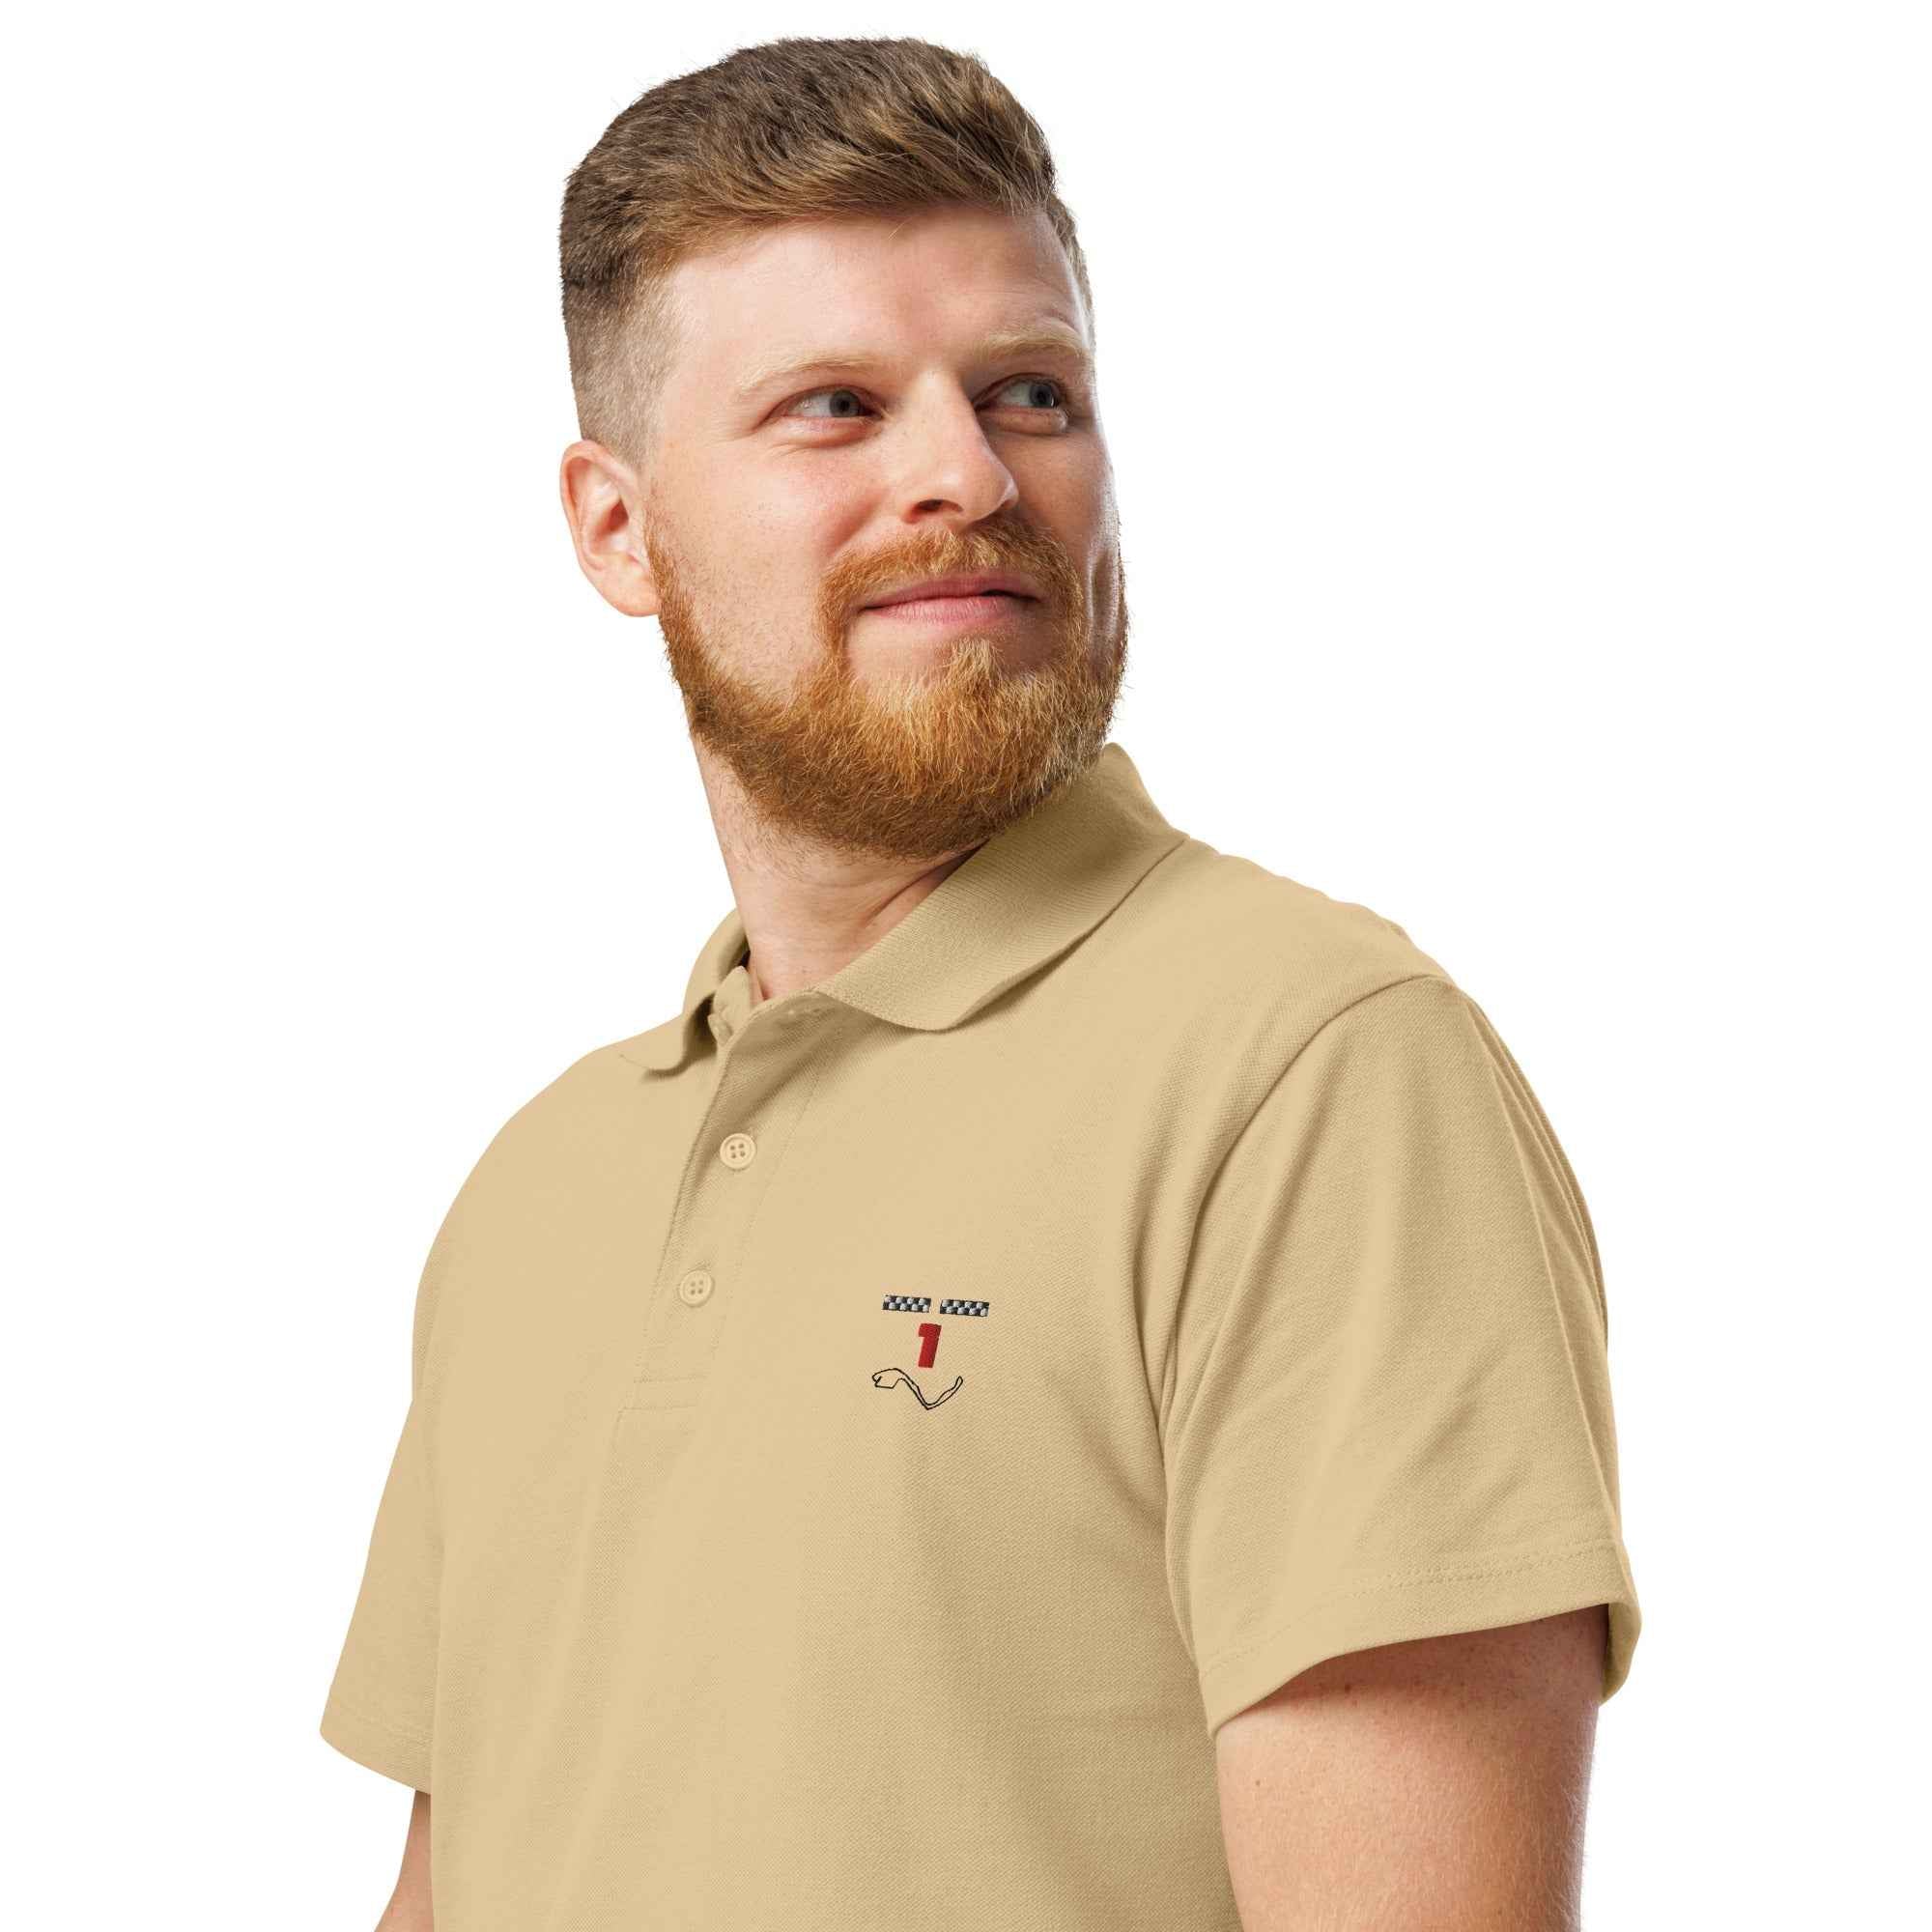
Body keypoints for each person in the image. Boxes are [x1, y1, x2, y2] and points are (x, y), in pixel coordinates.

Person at [319, 35, 1641, 1931]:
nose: (965, 473)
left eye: (1031, 392)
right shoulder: (536, 1190)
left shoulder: (1310, 1074)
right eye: (836, 407)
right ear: (618, 528)